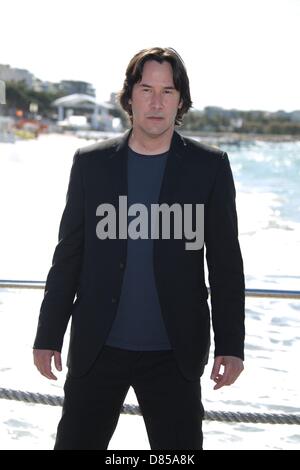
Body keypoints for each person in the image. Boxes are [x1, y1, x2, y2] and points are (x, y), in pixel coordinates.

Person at [33, 47, 245, 450]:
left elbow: (226, 264)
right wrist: (48, 334)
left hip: (175, 354)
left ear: (180, 101)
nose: (156, 101)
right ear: (129, 95)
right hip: (98, 348)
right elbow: (68, 256)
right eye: (146, 88)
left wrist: (231, 345)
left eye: (168, 91)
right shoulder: (90, 163)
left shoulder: (209, 166)